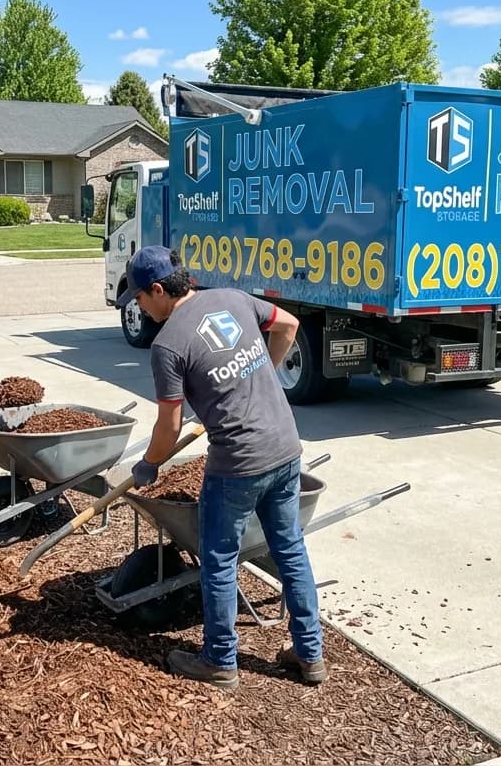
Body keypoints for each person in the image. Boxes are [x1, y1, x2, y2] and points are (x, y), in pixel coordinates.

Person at [120, 245, 327, 690]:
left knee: (218, 559)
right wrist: (263, 376)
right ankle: (310, 656)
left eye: (138, 297)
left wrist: (149, 464)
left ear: (158, 290)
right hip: (286, 446)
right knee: (289, 549)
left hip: (238, 463)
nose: (138, 305)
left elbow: (169, 424)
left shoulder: (168, 344)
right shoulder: (232, 297)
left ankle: (219, 660)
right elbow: (288, 326)